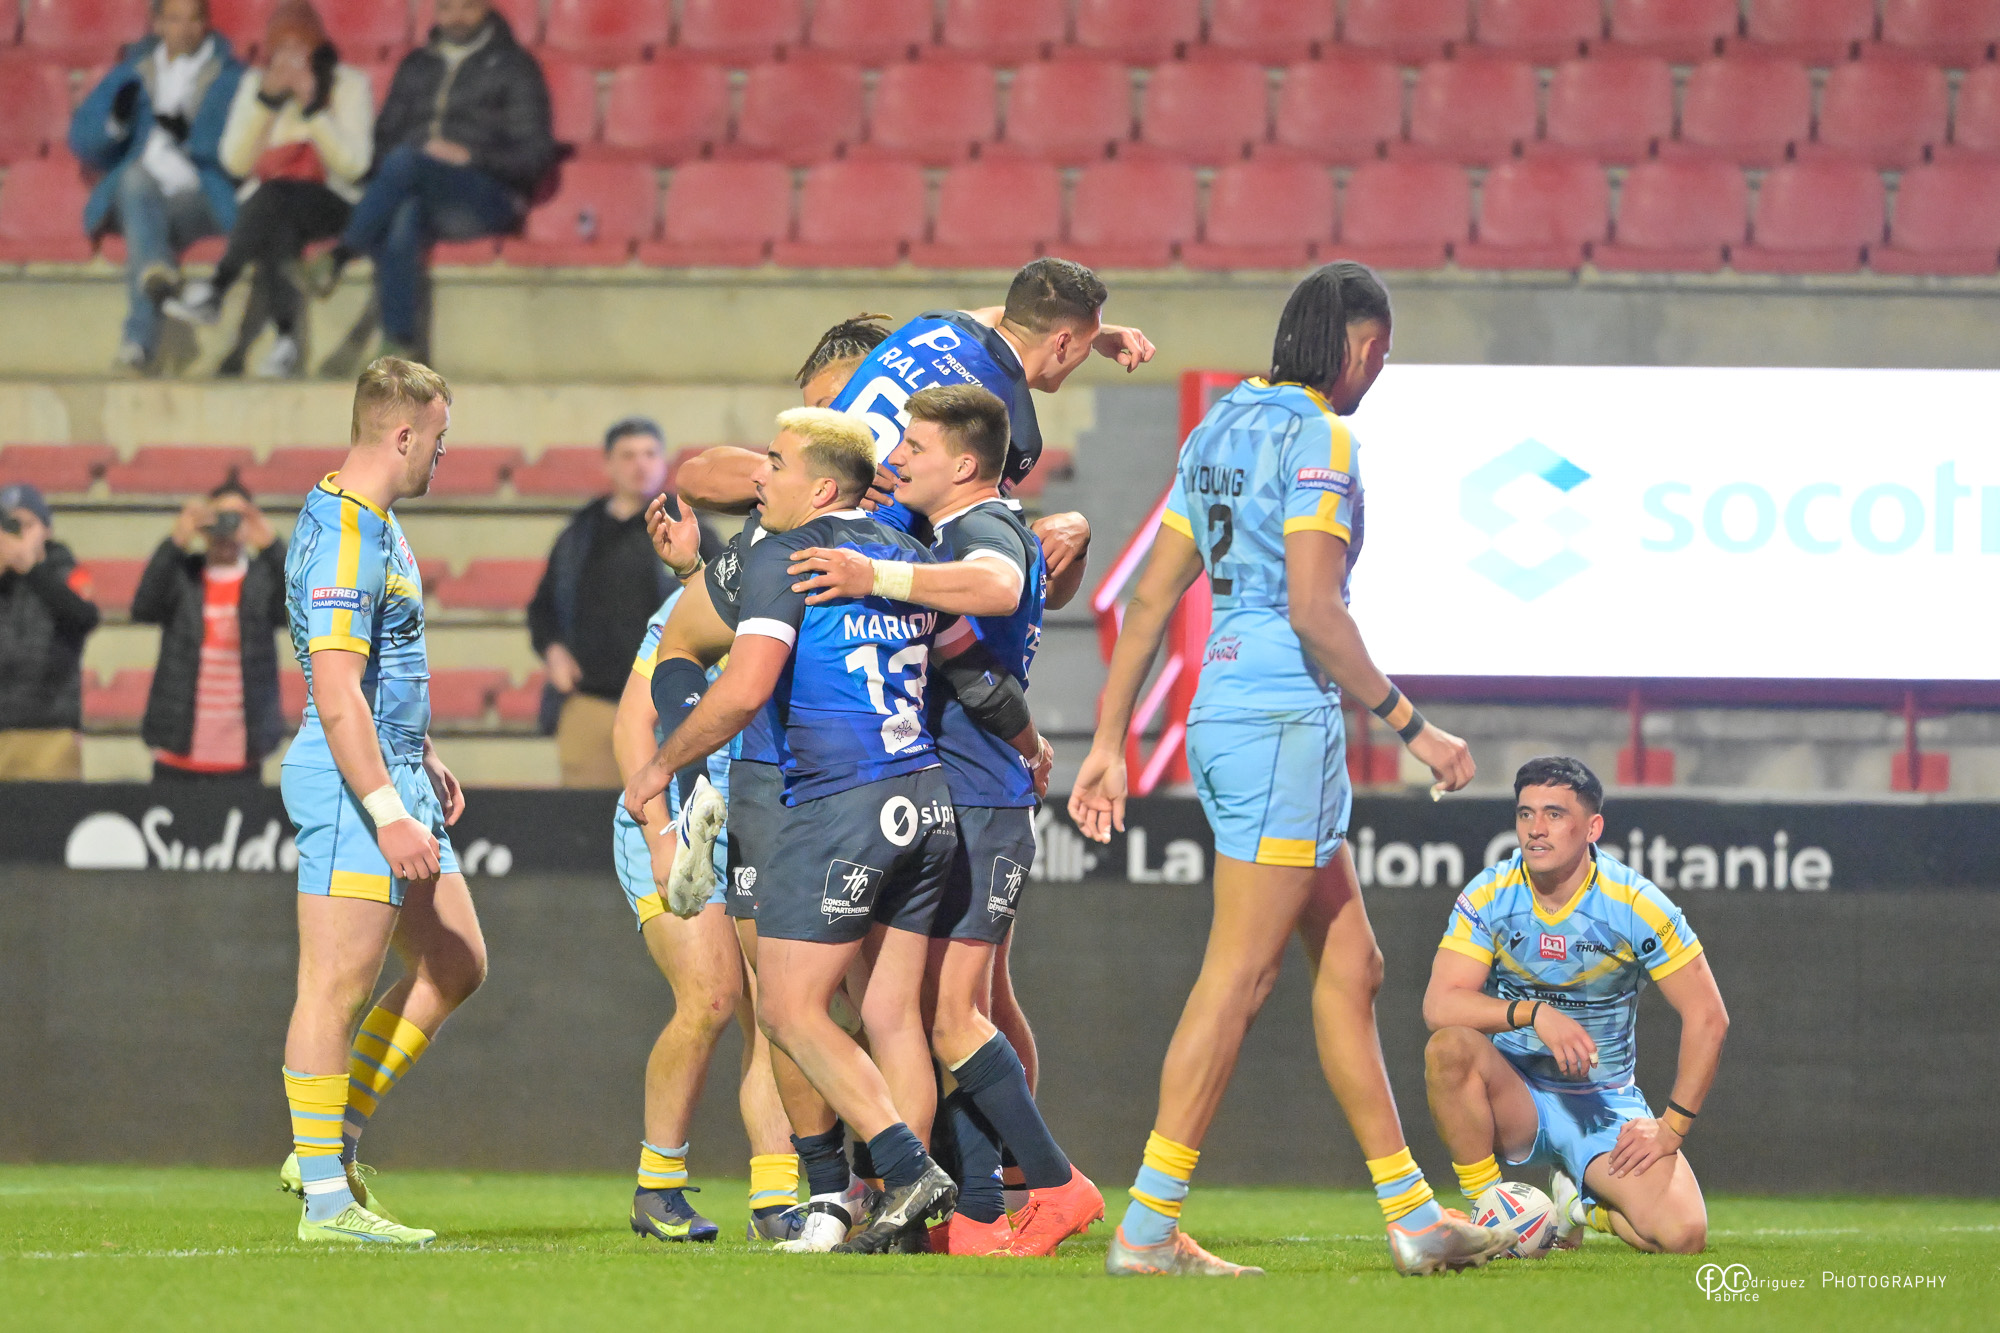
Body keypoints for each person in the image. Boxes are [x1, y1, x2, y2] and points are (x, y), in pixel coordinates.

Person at [1069, 261, 1509, 1278]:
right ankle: (1147, 1228)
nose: (1377, 373)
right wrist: (1413, 726)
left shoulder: (1216, 427)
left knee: (1353, 965)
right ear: (1359, 345)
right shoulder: (1323, 438)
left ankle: (1413, 1216)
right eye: (1381, 356)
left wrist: (1108, 740)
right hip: (1282, 722)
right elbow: (1314, 609)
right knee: (1239, 975)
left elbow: (1148, 600)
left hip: (1225, 710)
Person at [623, 408, 961, 1257]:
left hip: (826, 795)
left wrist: (663, 769)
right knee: (881, 1012)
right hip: (917, 793)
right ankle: (856, 1205)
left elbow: (742, 687)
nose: (759, 475)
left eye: (775, 462)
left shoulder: (786, 554)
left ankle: (891, 1173)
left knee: (786, 1006)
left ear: (821, 485)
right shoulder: (907, 551)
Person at [788, 385, 1090, 1259]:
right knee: (937, 1013)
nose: (898, 459)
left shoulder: (980, 530)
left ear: (962, 463)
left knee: (954, 1016)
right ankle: (980, 1211)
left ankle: (1054, 1186)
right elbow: (971, 661)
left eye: (914, 447)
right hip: (972, 787)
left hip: (979, 796)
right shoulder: (961, 531)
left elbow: (998, 588)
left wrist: (871, 575)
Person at [273, 357, 484, 1247]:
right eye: (439, 437)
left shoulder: (374, 521)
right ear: (403, 434)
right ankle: (326, 1200)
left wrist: (420, 753)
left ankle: (327, 1146)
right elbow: (334, 691)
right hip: (353, 784)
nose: (444, 453)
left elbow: (374, 669)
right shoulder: (347, 537)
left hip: (394, 768)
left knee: (457, 961)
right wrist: (387, 808)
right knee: (335, 985)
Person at [1424, 756, 1727, 1256]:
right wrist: (1535, 1014)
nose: (1535, 830)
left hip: (1601, 1106)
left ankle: (1576, 1209)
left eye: (1554, 814)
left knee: (1682, 1236)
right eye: (1525, 814)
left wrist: (1672, 1128)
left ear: (1592, 828)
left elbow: (1708, 1016)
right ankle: (1490, 1212)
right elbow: (1440, 1004)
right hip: (1515, 1097)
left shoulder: (1634, 903)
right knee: (1449, 1047)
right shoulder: (1490, 892)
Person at [608, 567, 806, 1245]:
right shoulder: (698, 604)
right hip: (675, 818)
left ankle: (775, 1202)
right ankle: (656, 1186)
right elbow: (632, 723)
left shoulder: (810, 595)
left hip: (759, 818)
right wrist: (661, 838)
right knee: (712, 996)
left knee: (778, 1010)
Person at [303, 0, 557, 361]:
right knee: (405, 207)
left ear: (485, 8)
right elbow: (383, 141)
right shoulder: (416, 66)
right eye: (447, 8)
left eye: (467, 7)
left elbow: (535, 155)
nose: (457, 17)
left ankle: (340, 254)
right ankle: (400, 343)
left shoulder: (515, 66)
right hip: (422, 191)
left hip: (488, 194)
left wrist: (470, 156)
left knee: (406, 161)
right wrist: (416, 158)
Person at [165, 0, 374, 379]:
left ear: (316, 47)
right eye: (282, 47)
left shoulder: (349, 83)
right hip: (272, 206)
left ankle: (217, 286)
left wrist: (313, 110)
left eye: (300, 46)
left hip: (333, 200)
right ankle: (286, 343)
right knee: (278, 221)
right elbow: (235, 163)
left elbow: (355, 165)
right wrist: (264, 104)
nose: (291, 57)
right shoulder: (254, 85)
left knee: (274, 198)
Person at [528, 417, 720, 788]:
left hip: (667, 705)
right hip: (591, 704)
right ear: (608, 464)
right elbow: (542, 609)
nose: (640, 464)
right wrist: (554, 651)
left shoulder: (690, 531)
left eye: (650, 454)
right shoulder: (580, 534)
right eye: (628, 455)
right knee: (585, 815)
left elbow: (724, 600)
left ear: (663, 462)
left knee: (666, 809)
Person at [69, 0, 245, 372]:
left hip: (200, 195)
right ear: (158, 24)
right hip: (139, 192)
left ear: (206, 23)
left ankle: (138, 340)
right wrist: (115, 124)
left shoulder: (232, 77)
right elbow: (82, 141)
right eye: (175, 19)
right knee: (136, 183)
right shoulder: (131, 72)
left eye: (194, 19)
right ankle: (153, 286)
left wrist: (192, 141)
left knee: (144, 229)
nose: (186, 29)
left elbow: (243, 151)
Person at [131, 476, 287, 782]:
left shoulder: (262, 579)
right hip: (178, 744)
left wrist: (271, 546)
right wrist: (176, 541)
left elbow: (300, 611)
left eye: (236, 518)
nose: (226, 529)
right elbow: (143, 608)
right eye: (219, 517)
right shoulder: (184, 574)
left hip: (242, 751)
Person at [0, 484, 101, 781]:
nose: (18, 534)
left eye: (28, 525)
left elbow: (85, 617)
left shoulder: (64, 571)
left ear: (47, 530)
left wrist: (32, 569)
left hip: (51, 726)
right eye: (10, 525)